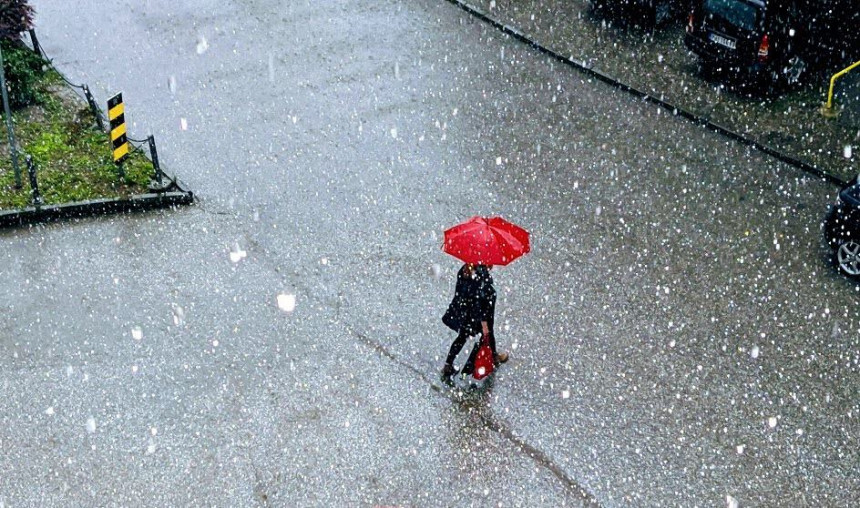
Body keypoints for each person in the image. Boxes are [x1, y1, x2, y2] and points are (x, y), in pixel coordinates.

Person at [441, 263, 508, 378]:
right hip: (477, 314)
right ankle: (474, 367)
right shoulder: (480, 276)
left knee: (463, 336)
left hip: (465, 312)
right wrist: (483, 321)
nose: (492, 265)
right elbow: (478, 299)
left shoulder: (466, 270)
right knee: (486, 334)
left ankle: (448, 365)